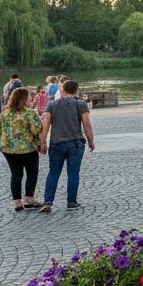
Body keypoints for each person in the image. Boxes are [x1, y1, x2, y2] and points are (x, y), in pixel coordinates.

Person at [39, 79, 96, 212]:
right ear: (76, 90)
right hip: (76, 143)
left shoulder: (52, 104)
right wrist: (91, 141)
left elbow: (46, 124)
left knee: (53, 172)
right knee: (73, 173)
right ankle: (72, 202)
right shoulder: (81, 104)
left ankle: (48, 201)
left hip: (56, 143)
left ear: (62, 90)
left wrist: (43, 142)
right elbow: (86, 124)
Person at [0, 86, 45, 212]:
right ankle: (28, 199)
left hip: (8, 150)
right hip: (27, 148)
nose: (31, 98)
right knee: (32, 173)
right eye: (29, 96)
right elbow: (36, 130)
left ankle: (17, 202)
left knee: (16, 174)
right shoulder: (29, 113)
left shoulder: (4, 114)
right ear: (23, 99)